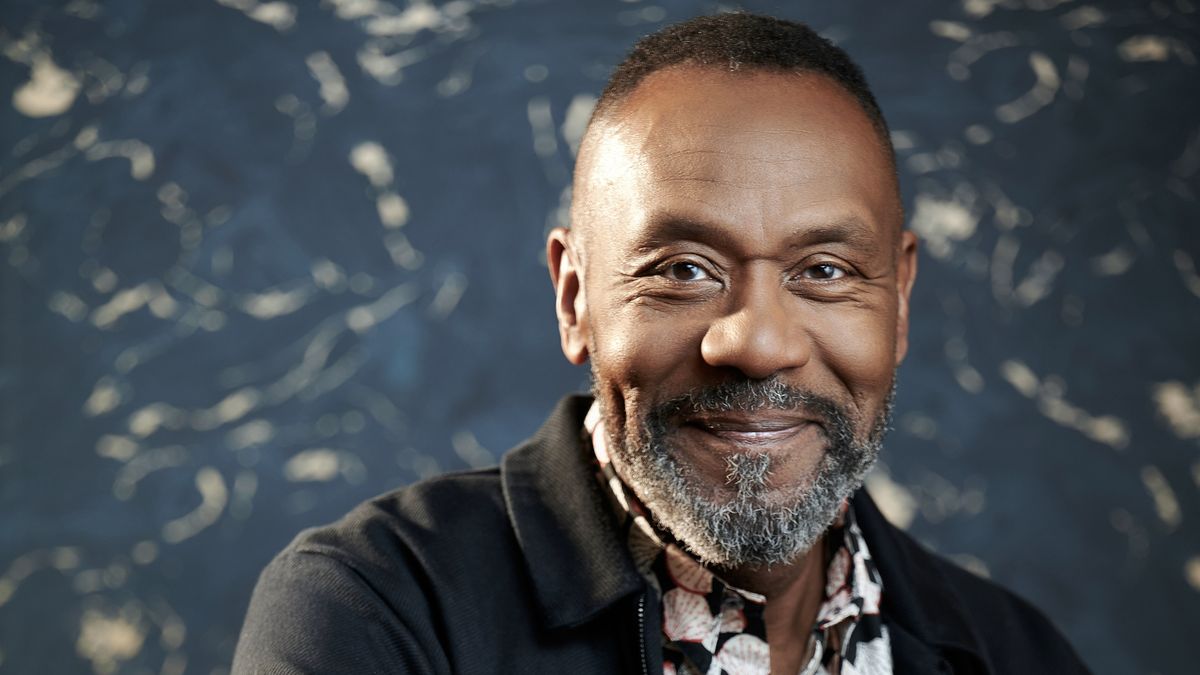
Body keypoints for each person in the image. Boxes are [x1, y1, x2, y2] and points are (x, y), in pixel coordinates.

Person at [232, 13, 1090, 675]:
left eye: (825, 269)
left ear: (898, 302)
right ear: (575, 298)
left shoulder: (1013, 651)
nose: (756, 342)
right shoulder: (377, 613)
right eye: (683, 268)